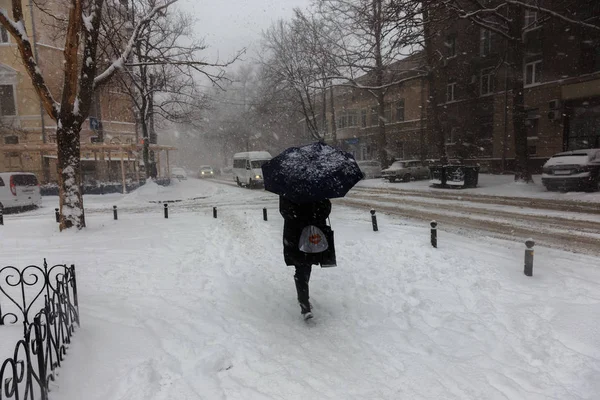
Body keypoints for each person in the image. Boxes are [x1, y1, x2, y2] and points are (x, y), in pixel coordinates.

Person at [279, 196, 332, 319]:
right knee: (302, 267)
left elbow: (325, 210)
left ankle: (303, 299)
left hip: (309, 234)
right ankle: (304, 304)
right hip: (298, 236)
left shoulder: (288, 189)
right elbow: (285, 211)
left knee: (305, 266)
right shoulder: (317, 189)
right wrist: (309, 216)